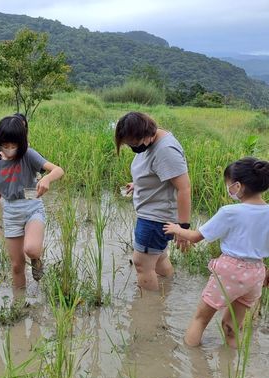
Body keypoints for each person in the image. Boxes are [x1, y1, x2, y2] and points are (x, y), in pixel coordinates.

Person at [164, 157, 269, 348]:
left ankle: (189, 358)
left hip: (231, 271)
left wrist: (176, 229)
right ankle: (231, 364)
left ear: (237, 186)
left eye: (228, 184)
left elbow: (196, 236)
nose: (228, 189)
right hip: (256, 273)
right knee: (232, 326)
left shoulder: (230, 212)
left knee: (200, 320)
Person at [0, 116, 64, 288]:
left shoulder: (28, 155)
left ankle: (36, 258)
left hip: (32, 206)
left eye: (14, 146)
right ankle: (19, 303)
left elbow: (58, 170)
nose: (10, 149)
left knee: (31, 249)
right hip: (11, 212)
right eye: (6, 145)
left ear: (22, 143)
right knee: (17, 266)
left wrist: (47, 179)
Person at [114, 111, 191, 292]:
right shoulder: (153, 141)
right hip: (154, 214)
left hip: (155, 218)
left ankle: (149, 311)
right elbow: (161, 174)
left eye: (134, 143)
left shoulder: (165, 150)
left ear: (147, 135)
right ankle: (168, 292)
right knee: (159, 258)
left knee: (142, 264)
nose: (132, 147)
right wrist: (139, 183)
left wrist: (183, 228)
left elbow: (184, 188)